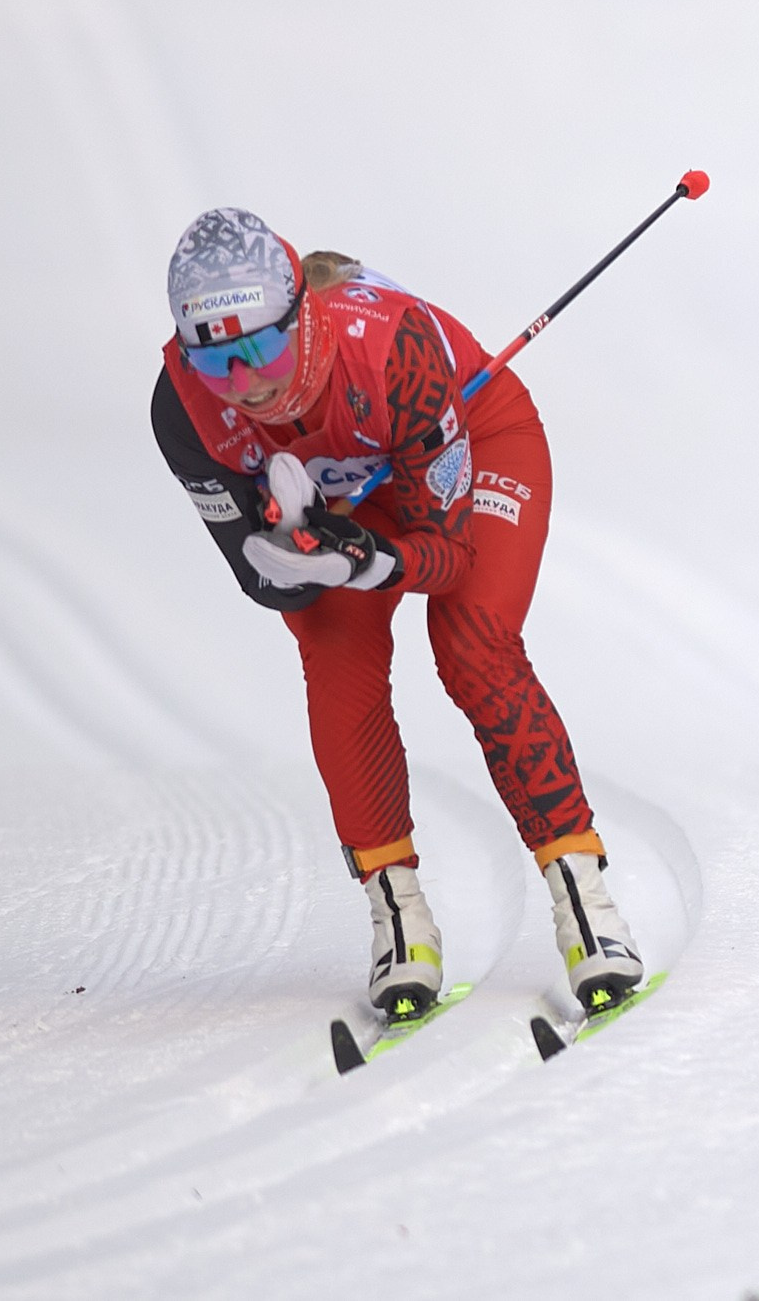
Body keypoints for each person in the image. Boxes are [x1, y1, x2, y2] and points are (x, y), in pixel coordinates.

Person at [151, 208, 645, 1021]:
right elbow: (269, 586)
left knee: (470, 642)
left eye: (262, 348)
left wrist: (359, 554)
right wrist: (294, 543)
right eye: (216, 360)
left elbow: (447, 556)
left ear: (300, 317)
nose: (247, 382)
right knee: (337, 657)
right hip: (356, 497)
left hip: (476, 440)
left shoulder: (393, 346)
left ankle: (585, 899)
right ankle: (399, 917)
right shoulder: (183, 408)